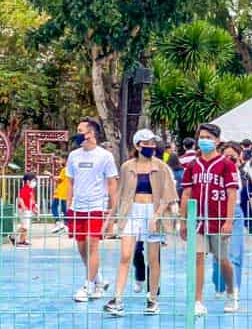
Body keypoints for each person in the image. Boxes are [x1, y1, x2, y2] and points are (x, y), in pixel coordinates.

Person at [103, 130, 177, 316]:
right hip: (131, 211)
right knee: (126, 255)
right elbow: (119, 195)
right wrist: (110, 220)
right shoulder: (127, 167)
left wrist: (157, 215)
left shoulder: (161, 167)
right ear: (137, 145)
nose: (151, 147)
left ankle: (152, 298)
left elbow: (168, 194)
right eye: (147, 143)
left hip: (153, 211)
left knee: (153, 258)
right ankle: (117, 298)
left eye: (153, 143)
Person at [180, 123, 239, 315]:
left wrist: (229, 221)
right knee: (197, 257)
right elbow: (186, 194)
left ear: (217, 140)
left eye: (209, 137)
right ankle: (197, 300)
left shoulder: (226, 165)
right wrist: (183, 221)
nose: (204, 140)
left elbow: (231, 194)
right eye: (202, 137)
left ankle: (231, 291)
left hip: (218, 220)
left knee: (222, 259)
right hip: (198, 221)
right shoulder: (192, 165)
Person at [66, 118, 118, 303]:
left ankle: (87, 285)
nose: (78, 133)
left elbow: (112, 183)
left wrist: (112, 210)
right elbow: (70, 182)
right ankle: (99, 280)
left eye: (81, 130)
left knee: (92, 244)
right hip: (77, 208)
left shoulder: (105, 156)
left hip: (96, 206)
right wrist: (68, 206)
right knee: (82, 248)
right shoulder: (74, 156)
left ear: (91, 133)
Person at [212, 142, 247, 302]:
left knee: (235, 253)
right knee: (218, 254)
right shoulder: (213, 170)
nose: (229, 158)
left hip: (235, 213)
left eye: (233, 155)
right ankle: (219, 284)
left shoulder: (241, 173)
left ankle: (234, 289)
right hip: (216, 212)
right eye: (225, 155)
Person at [12, 173, 36, 246]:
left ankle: (22, 240)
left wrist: (34, 207)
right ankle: (12, 236)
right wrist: (23, 206)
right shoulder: (24, 189)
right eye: (33, 180)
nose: (34, 182)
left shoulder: (31, 189)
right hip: (23, 210)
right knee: (25, 226)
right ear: (28, 181)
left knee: (26, 226)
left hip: (28, 209)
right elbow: (20, 198)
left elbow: (32, 199)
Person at [50, 156, 69, 234]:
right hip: (63, 192)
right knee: (64, 209)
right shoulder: (68, 169)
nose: (59, 161)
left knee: (55, 207)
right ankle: (65, 225)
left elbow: (59, 179)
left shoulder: (65, 170)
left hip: (62, 192)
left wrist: (51, 176)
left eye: (60, 159)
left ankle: (59, 223)